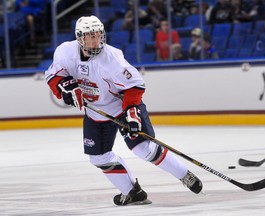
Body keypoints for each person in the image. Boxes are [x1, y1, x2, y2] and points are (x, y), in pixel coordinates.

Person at [45, 15, 202, 206]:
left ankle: (184, 175)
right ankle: (132, 192)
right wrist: (64, 87)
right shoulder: (65, 52)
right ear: (79, 38)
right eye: (90, 36)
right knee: (98, 157)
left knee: (144, 149)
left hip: (122, 107)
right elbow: (53, 75)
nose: (95, 40)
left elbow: (135, 87)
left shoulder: (112, 59)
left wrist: (131, 114)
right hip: (95, 113)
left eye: (98, 35)